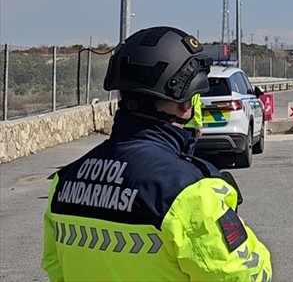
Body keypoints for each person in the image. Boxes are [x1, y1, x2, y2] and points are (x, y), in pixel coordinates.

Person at [42, 26, 272, 281]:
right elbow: (244, 275)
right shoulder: (190, 192)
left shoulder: (64, 183)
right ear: (185, 103)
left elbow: (56, 269)